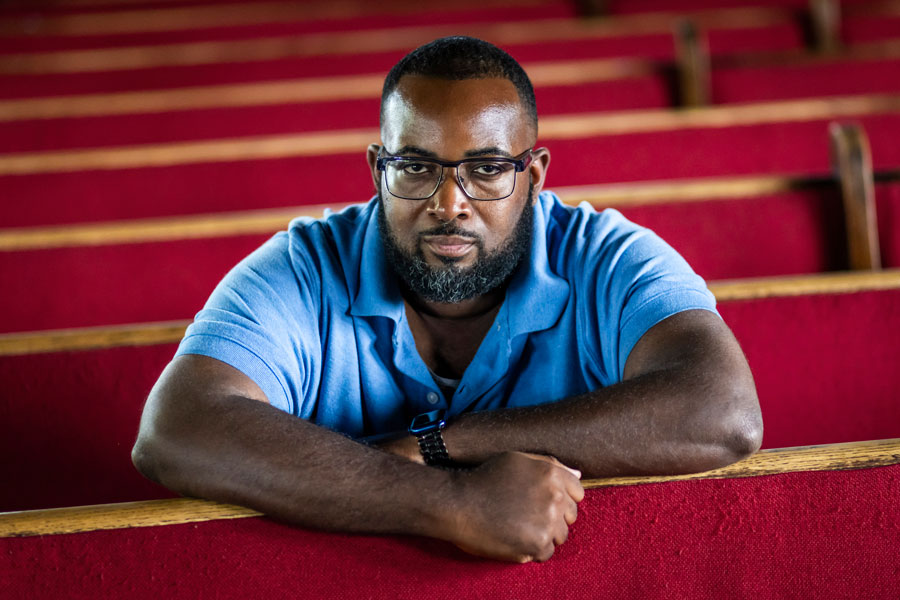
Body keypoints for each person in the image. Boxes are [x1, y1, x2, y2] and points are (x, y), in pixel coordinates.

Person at [133, 36, 762, 563]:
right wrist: (455, 503)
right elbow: (176, 428)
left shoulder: (609, 256)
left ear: (534, 177)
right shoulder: (303, 266)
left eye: (487, 169)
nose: (448, 203)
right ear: (379, 169)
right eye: (416, 166)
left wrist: (445, 444)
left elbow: (725, 411)